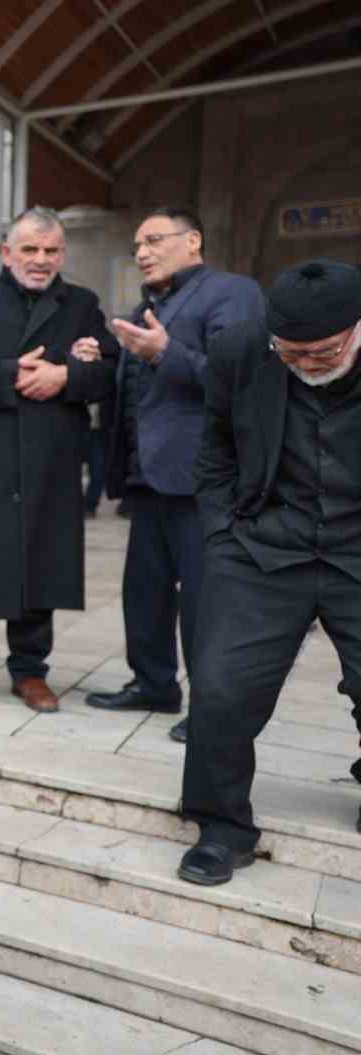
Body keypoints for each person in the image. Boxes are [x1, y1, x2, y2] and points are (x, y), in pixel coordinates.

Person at [177, 259, 361, 885]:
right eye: (291, 353)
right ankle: (221, 826)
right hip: (263, 545)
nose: (306, 363)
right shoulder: (240, 350)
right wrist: (223, 533)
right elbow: (217, 447)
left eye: (323, 352)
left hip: (357, 548)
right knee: (221, 686)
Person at [0, 207, 119, 713]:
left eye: (51, 250)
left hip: (50, 460)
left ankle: (30, 672)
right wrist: (12, 373)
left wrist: (67, 378)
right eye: (30, 249)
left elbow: (110, 371)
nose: (40, 259)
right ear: (7, 253)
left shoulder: (81, 305)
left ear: (63, 255)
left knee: (42, 564)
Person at [86, 207, 265, 742]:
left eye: (154, 240)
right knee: (145, 591)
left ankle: (213, 705)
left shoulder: (230, 293)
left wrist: (166, 351)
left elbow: (240, 382)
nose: (142, 251)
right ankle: (154, 684)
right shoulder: (149, 305)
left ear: (193, 241)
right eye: (138, 244)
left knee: (205, 600)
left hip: (202, 481)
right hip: (148, 478)